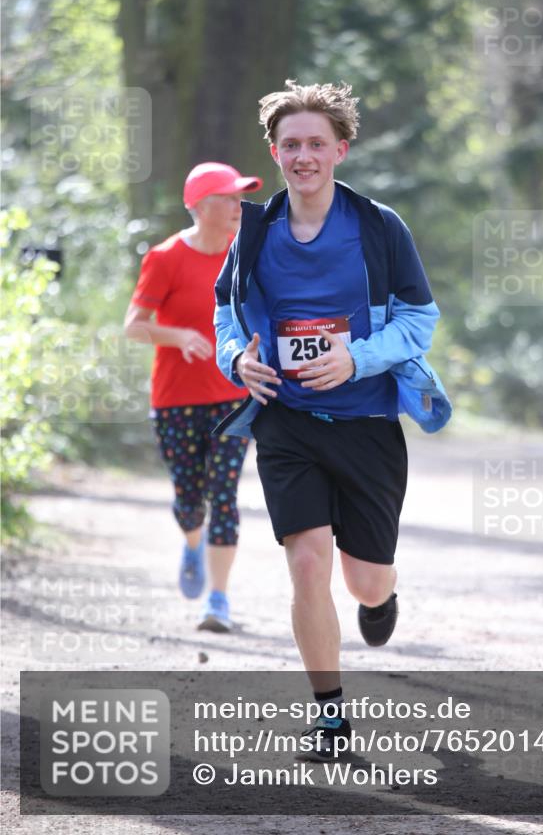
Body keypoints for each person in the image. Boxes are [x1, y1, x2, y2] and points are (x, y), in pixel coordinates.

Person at [213, 81, 451, 757]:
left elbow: (419, 317)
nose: (303, 155)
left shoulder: (377, 226)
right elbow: (225, 310)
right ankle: (330, 719)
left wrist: (357, 358)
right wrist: (237, 359)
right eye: (290, 144)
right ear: (274, 152)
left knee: (362, 577)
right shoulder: (254, 229)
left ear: (340, 149)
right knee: (308, 564)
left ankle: (381, 597)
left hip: (367, 419)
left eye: (316, 143)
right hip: (285, 420)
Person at [124, 162, 263, 632]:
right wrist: (178, 335)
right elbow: (134, 326)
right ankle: (191, 544)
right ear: (201, 207)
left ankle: (218, 600)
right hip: (174, 400)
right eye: (229, 198)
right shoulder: (165, 258)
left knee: (223, 495)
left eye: (240, 197)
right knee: (189, 499)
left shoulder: (246, 255)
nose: (237, 207)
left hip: (232, 396)